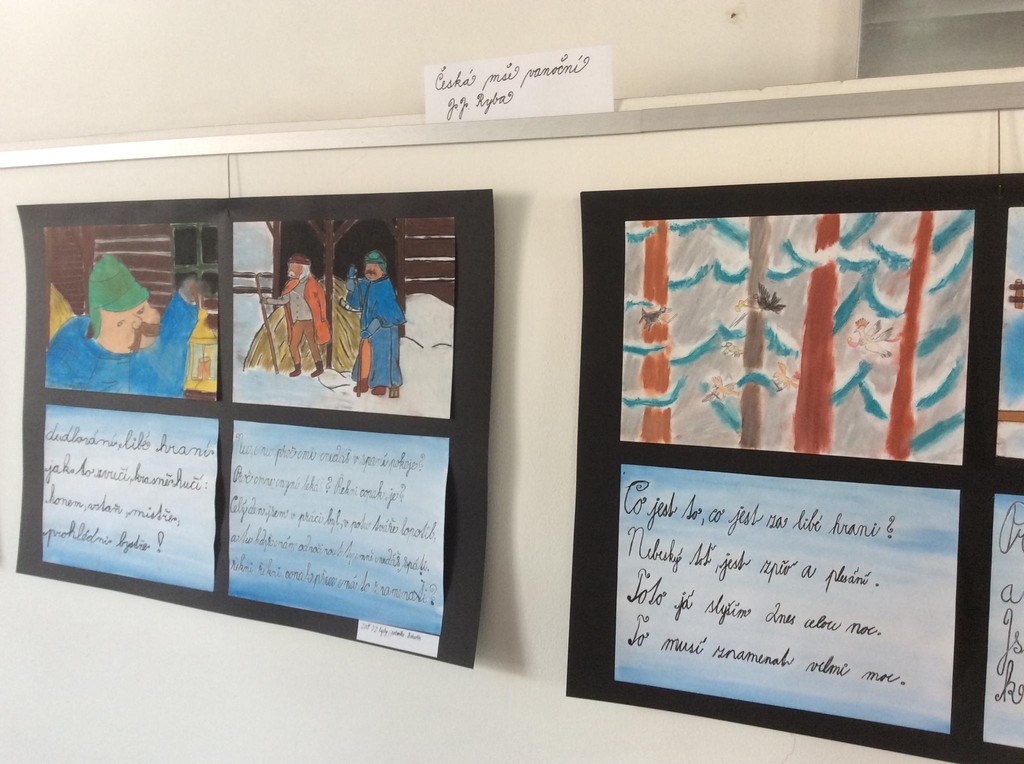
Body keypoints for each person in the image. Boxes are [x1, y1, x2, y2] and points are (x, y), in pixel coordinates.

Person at [46, 255, 199, 397]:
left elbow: (177, 323)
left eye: (140, 310)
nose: (136, 324)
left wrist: (188, 294)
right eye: (120, 322)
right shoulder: (73, 343)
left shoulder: (160, 344)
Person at [345, 250, 406, 397]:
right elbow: (356, 301)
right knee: (365, 353)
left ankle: (381, 383)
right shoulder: (366, 284)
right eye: (368, 267)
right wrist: (351, 281)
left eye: (374, 267)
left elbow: (385, 312)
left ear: (382, 269)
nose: (370, 270)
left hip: (384, 329)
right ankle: (363, 380)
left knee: (382, 356)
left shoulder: (385, 287)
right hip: (367, 327)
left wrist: (372, 328)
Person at [261, 253, 329, 377]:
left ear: (302, 268)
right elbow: (284, 300)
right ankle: (297, 367)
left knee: (313, 344)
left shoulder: (313, 285)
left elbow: (322, 302)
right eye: (290, 266)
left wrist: (322, 318)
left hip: (310, 320)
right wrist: (268, 301)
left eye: (293, 266)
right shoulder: (290, 284)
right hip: (297, 320)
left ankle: (319, 367)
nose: (290, 269)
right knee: (293, 345)